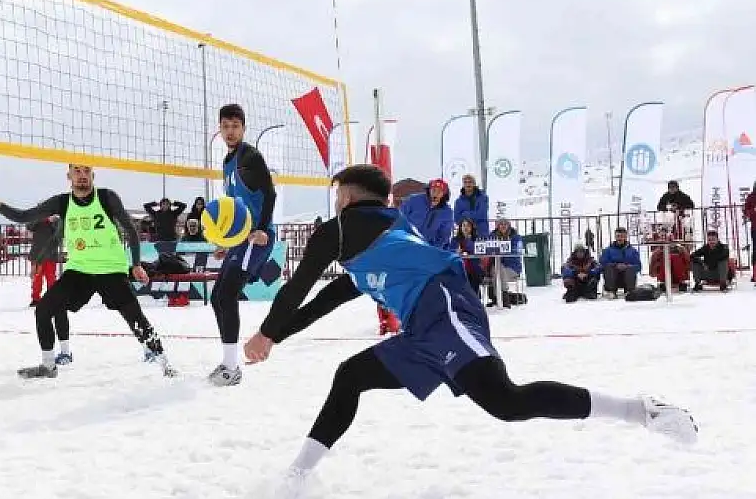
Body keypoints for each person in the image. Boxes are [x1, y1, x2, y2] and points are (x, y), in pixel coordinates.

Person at [242, 164, 698, 495]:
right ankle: (297, 479)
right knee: (351, 375)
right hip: (423, 325)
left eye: (337, 193)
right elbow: (324, 300)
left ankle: (643, 411)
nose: (335, 200)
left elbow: (298, 287)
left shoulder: (346, 228)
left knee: (506, 401)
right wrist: (275, 336)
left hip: (443, 307)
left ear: (346, 196)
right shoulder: (373, 243)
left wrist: (266, 333)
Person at [0, 164, 176, 378]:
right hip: (79, 271)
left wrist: (136, 263)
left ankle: (164, 364)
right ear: (69, 176)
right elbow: (25, 216)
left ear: (93, 175)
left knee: (135, 318)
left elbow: (130, 229)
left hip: (110, 269)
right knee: (43, 309)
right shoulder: (62, 202)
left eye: (86, 171)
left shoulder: (107, 197)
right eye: (77, 171)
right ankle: (48, 366)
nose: (82, 176)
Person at [208, 103, 277, 387]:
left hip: (256, 238)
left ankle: (232, 367)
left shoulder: (250, 157)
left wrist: (261, 230)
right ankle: (228, 362)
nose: (230, 131)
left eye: (235, 126)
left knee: (226, 296)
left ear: (243, 128)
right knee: (216, 299)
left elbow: (270, 195)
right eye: (225, 126)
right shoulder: (228, 162)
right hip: (241, 239)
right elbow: (235, 208)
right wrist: (226, 241)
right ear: (220, 128)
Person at [27, 215, 62, 306]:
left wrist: (53, 221)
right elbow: (29, 226)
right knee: (37, 278)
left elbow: (60, 232)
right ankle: (36, 299)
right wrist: (44, 219)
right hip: (37, 255)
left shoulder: (56, 220)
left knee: (51, 277)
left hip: (50, 255)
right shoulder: (36, 218)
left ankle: (52, 298)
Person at [599, 227, 640, 298]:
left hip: (627, 277)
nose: (620, 238)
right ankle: (611, 291)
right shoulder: (607, 250)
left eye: (622, 236)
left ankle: (629, 291)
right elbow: (603, 263)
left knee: (630, 268)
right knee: (608, 267)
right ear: (615, 237)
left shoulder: (633, 251)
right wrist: (615, 265)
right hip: (612, 277)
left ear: (625, 237)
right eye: (618, 236)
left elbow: (638, 266)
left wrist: (627, 266)